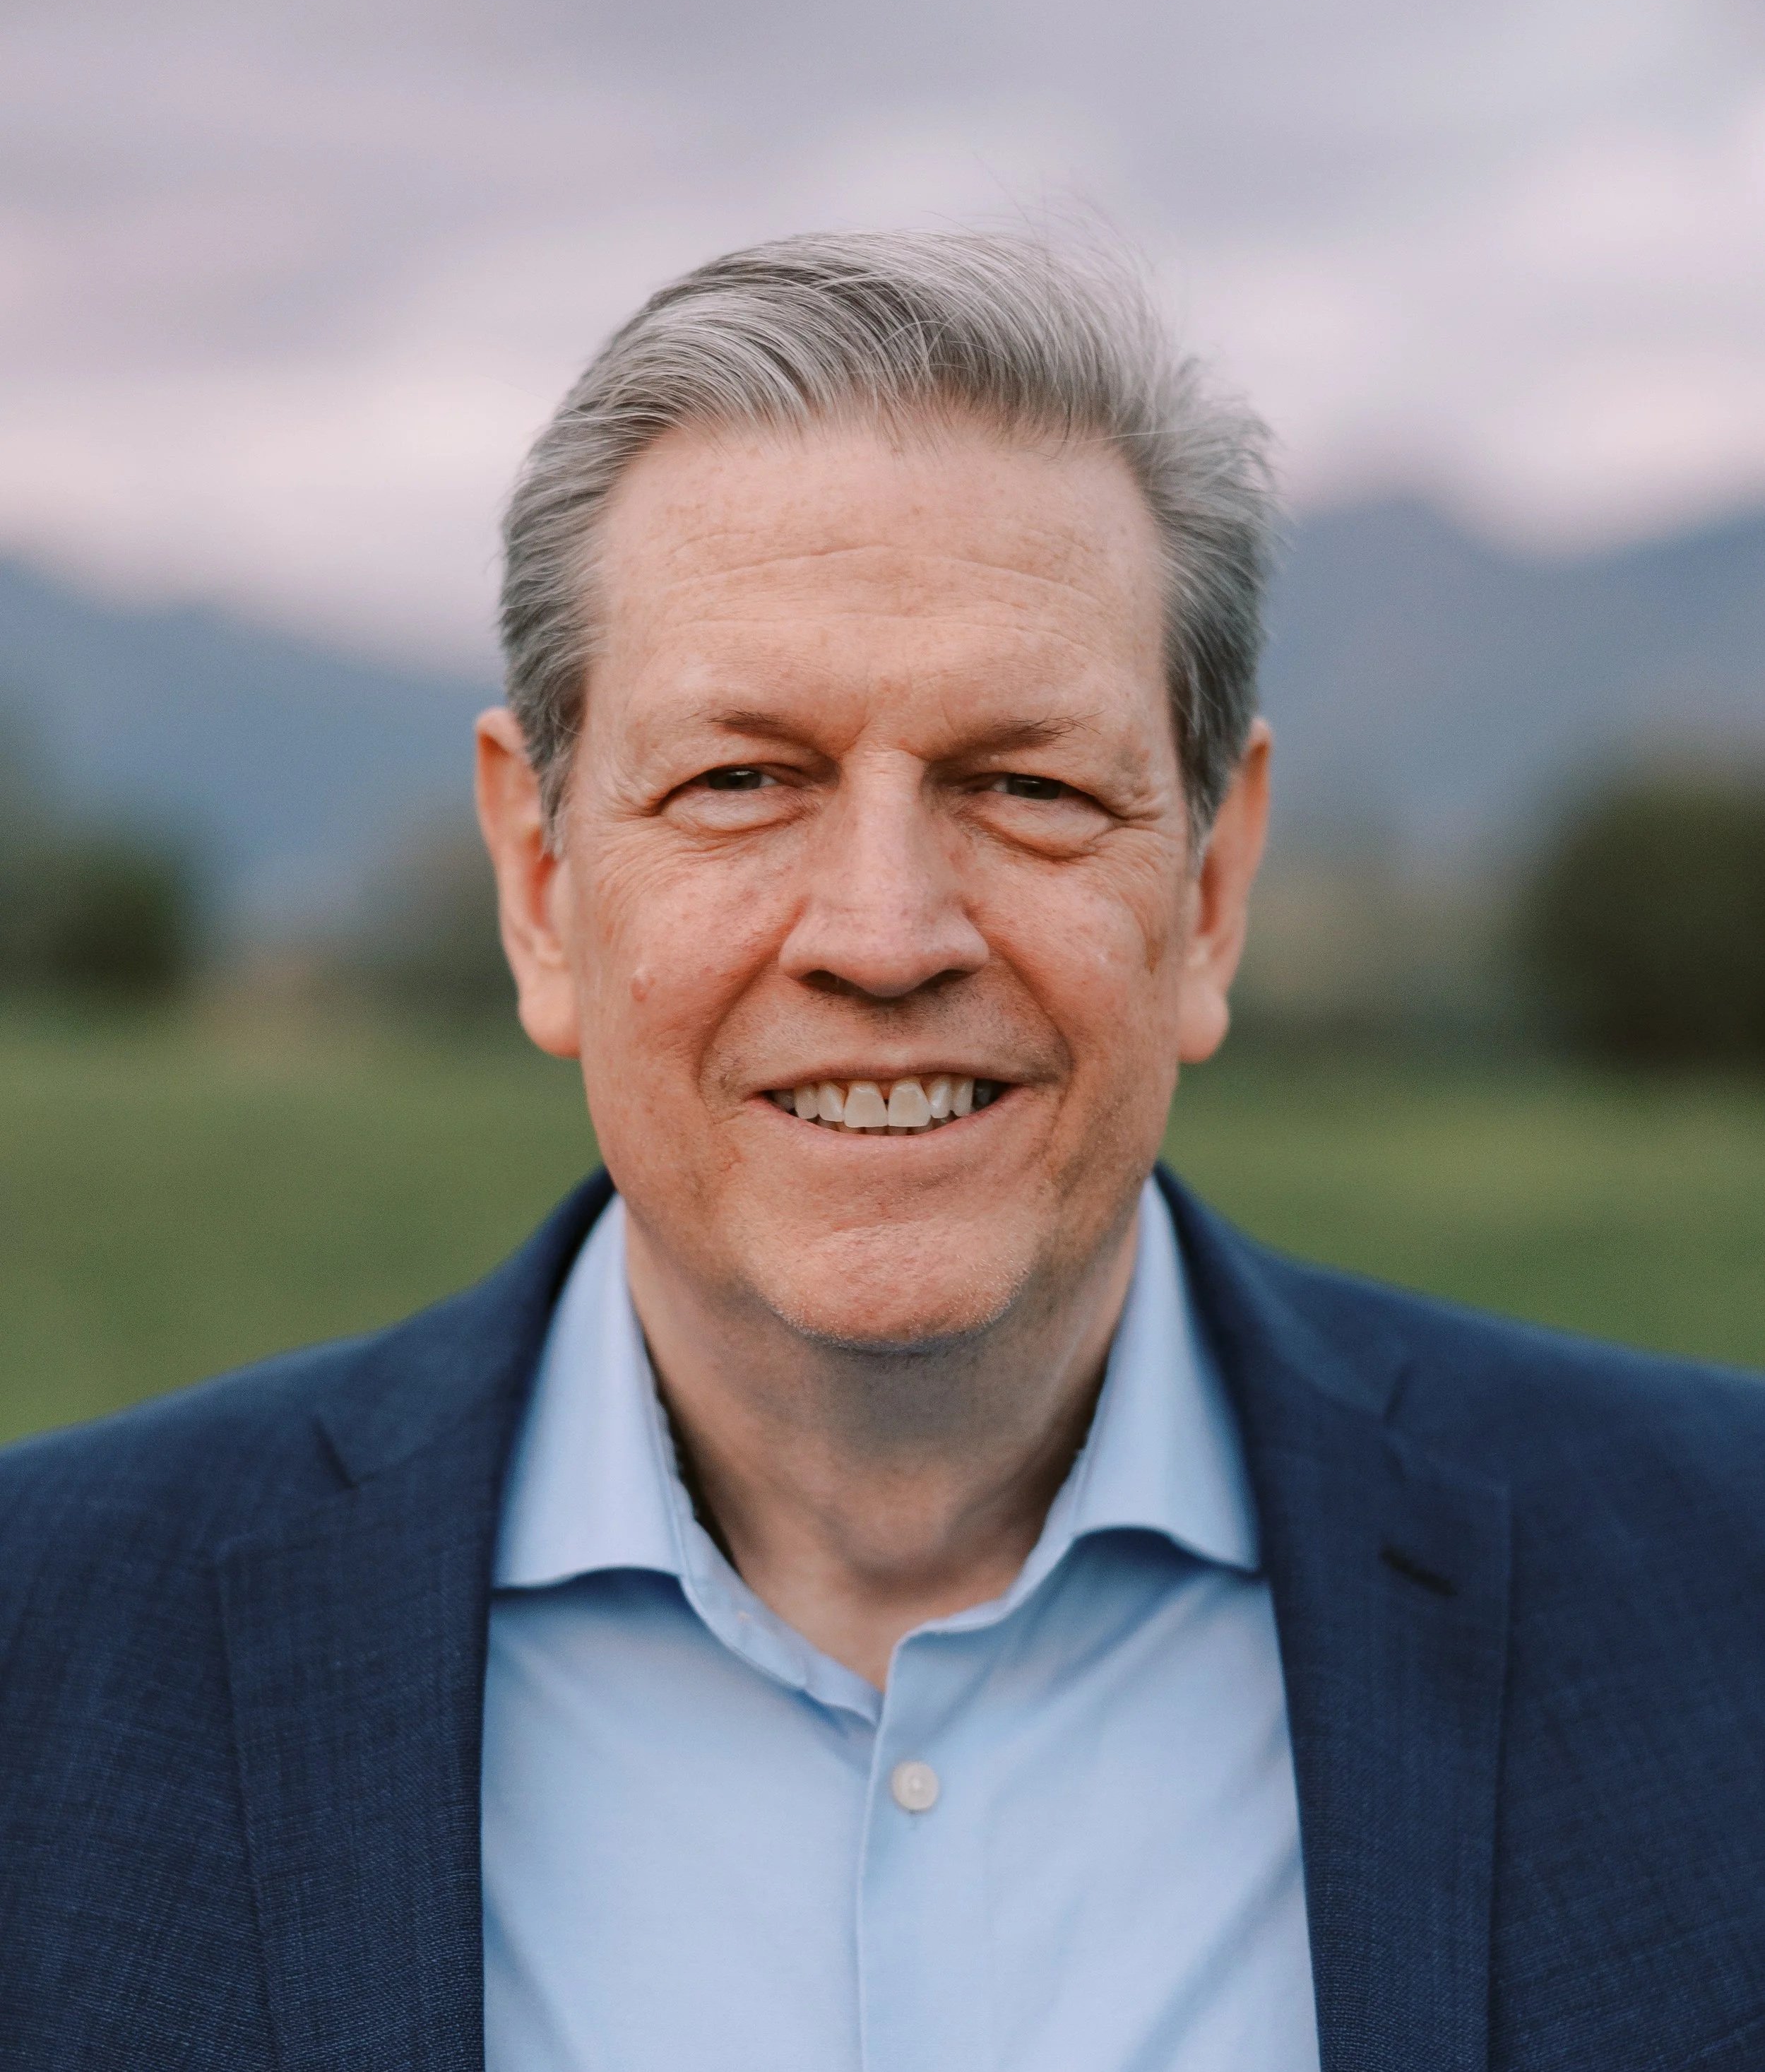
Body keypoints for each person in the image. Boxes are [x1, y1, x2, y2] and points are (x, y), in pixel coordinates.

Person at [1, 231, 1762, 2072]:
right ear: (537, 882)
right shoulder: (37, 1657)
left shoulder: (1728, 1593)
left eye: (1027, 784)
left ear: (1214, 887)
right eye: (740, 779)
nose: (882, 930)